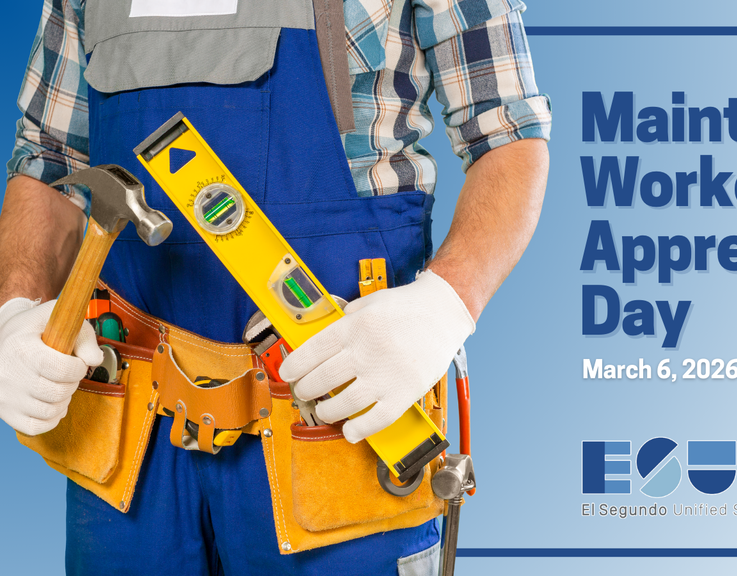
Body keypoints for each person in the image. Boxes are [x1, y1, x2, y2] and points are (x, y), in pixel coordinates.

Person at [0, 0, 550, 573]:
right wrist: (14, 308)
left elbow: (510, 136)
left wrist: (447, 302)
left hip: (336, 421)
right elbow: (49, 157)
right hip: (127, 442)